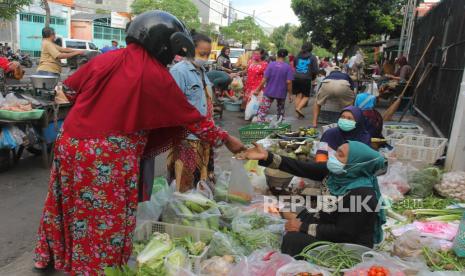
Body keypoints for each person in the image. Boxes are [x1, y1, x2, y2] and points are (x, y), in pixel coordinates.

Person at [32, 11, 244, 275]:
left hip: (70, 142)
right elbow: (193, 119)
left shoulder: (106, 58)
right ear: (163, 45)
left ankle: (47, 256)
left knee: (64, 202)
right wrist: (227, 139)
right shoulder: (155, 74)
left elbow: (71, 90)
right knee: (105, 219)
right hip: (108, 154)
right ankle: (95, 269)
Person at [237, 140, 387, 256]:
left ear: (355, 164)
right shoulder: (337, 174)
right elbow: (301, 167)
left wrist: (301, 227)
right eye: (336, 152)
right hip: (331, 220)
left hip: (348, 243)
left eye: (340, 155)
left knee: (292, 240)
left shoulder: (362, 194)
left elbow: (344, 232)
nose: (333, 157)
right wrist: (267, 156)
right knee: (300, 213)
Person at [167, 32, 245, 192]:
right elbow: (174, 110)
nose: (205, 57)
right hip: (186, 140)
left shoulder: (202, 71)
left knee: (201, 182)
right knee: (184, 186)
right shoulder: (179, 72)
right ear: (188, 49)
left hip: (205, 136)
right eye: (202, 53)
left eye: (208, 54)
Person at [254, 49, 294, 122]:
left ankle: (259, 126)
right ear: (285, 57)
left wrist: (258, 90)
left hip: (269, 91)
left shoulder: (271, 65)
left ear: (277, 55)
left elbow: (264, 79)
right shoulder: (287, 67)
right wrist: (290, 94)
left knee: (263, 111)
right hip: (281, 93)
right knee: (280, 112)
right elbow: (289, 82)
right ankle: (279, 127)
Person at [292, 42, 319, 118]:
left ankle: (298, 114)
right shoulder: (313, 57)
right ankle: (298, 108)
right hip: (306, 78)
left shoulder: (297, 56)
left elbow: (295, 65)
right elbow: (315, 70)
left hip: (296, 77)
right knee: (306, 96)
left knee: (298, 95)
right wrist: (313, 77)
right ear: (311, 49)